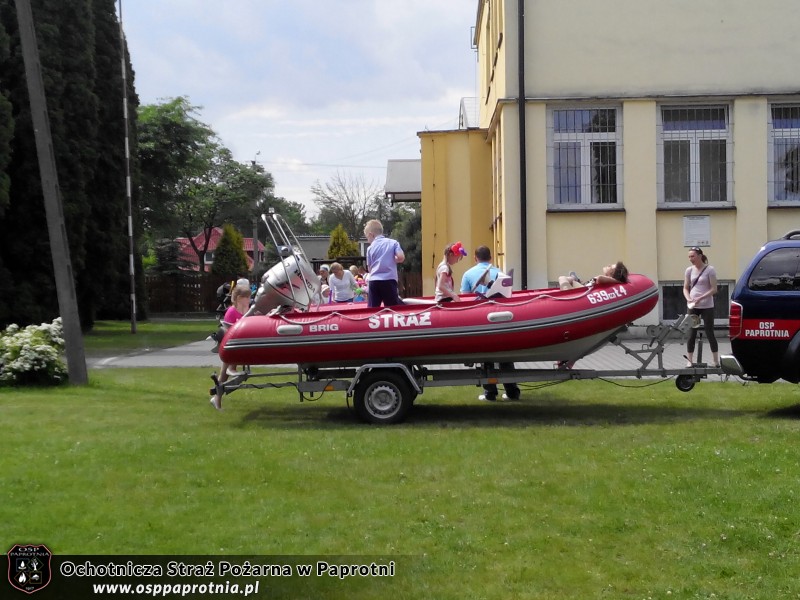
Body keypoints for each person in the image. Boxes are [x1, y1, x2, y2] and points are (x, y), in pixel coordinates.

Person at [460, 245, 521, 401]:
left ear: (475, 258)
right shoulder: (500, 273)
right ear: (491, 258)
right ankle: (512, 391)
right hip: (501, 319)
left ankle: (490, 393)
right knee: (505, 356)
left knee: (486, 356)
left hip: (479, 320)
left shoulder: (468, 274)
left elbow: (464, 299)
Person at [210, 284, 251, 410]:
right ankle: (217, 399)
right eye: (247, 297)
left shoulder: (246, 309)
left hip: (240, 347)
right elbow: (229, 330)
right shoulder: (231, 312)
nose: (249, 300)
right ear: (239, 298)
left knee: (226, 375)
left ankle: (217, 397)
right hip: (231, 348)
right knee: (224, 375)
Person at [684, 246, 720, 367]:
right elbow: (685, 288)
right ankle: (689, 361)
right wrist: (689, 298)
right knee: (691, 332)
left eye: (692, 256)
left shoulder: (710, 270)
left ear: (700, 256)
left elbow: (714, 289)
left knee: (709, 332)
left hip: (707, 306)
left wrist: (700, 298)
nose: (690, 259)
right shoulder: (689, 270)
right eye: (689, 256)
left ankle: (715, 361)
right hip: (693, 305)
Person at [364, 219, 405, 307]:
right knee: (393, 308)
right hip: (388, 279)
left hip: (374, 280)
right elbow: (401, 257)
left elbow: (369, 268)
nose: (368, 241)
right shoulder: (393, 243)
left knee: (372, 308)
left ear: (371, 235)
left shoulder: (370, 248)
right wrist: (393, 259)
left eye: (367, 237)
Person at [558, 262, 629, 290]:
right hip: (583, 288)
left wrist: (618, 281)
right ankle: (575, 279)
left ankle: (574, 279)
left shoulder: (608, 281)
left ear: (612, 274)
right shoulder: (608, 280)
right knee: (566, 279)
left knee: (562, 278)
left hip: (581, 293)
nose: (608, 265)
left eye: (610, 267)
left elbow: (600, 278)